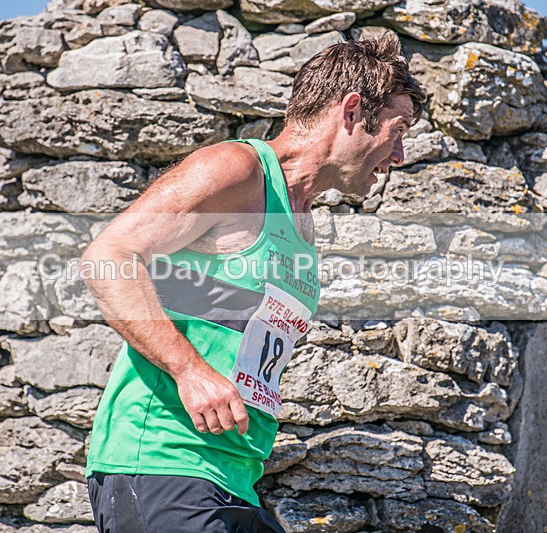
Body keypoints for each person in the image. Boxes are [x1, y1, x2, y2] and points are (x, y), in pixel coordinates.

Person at [82, 30, 426, 533]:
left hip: (233, 479)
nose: (398, 155)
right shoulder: (238, 170)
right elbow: (108, 255)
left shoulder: (300, 220)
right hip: (160, 463)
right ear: (351, 110)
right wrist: (190, 372)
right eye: (398, 131)